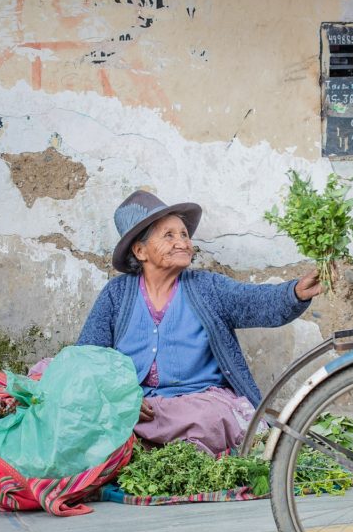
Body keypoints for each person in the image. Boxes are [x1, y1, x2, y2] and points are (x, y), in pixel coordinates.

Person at [75, 189, 323, 457]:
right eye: (169, 235)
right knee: (79, 404)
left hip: (198, 403)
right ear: (140, 250)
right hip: (136, 408)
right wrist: (121, 398)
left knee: (208, 419)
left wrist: (294, 293)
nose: (182, 243)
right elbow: (88, 357)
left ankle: (151, 448)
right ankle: (146, 445)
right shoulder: (117, 294)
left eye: (184, 235)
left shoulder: (207, 287)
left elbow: (254, 301)